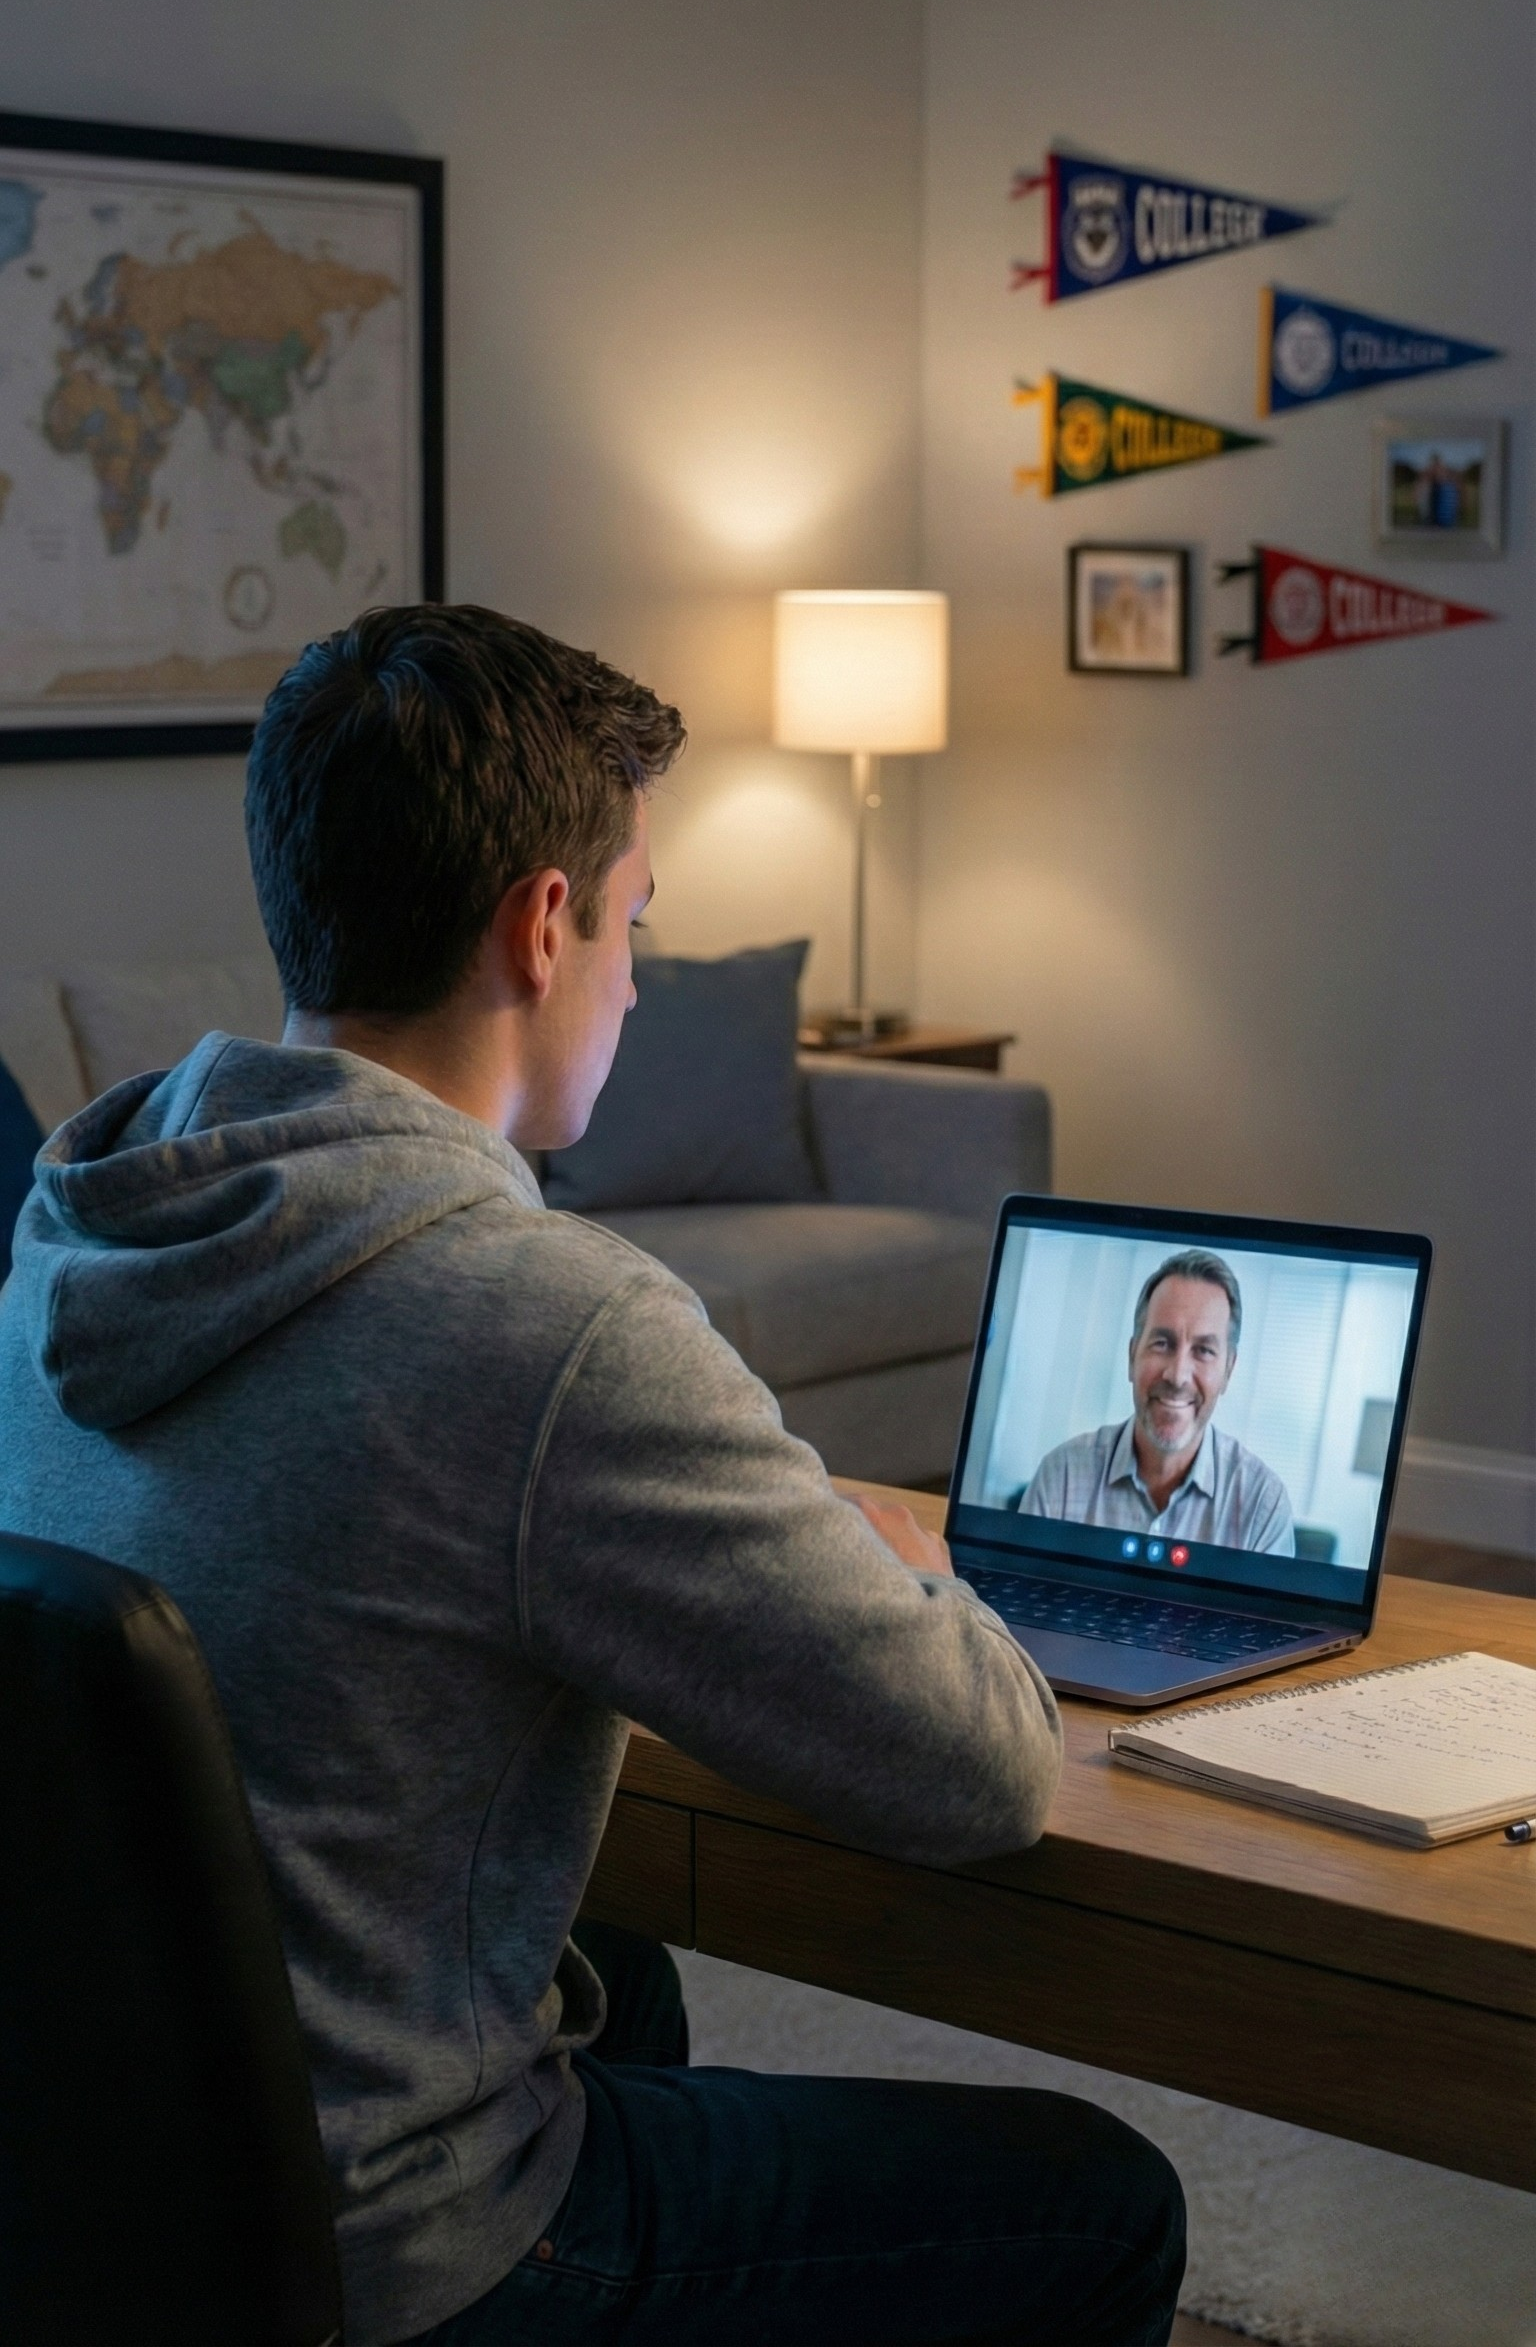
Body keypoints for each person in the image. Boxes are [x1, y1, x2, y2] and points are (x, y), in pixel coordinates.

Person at [0, 605, 1184, 2347]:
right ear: (543, 924)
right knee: (1100, 2197)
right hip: (398, 2245)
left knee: (619, 1986)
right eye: (637, 920)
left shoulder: (70, 1225)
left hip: (99, 2190)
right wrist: (903, 1560)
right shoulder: (545, 1322)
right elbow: (978, 1766)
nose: (634, 976)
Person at [1021, 1250, 1294, 1555]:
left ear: (1228, 1371)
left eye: (1203, 1350)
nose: (1177, 1376)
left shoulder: (1262, 1507)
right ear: (1132, 1356)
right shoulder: (1062, 1475)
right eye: (1162, 1343)